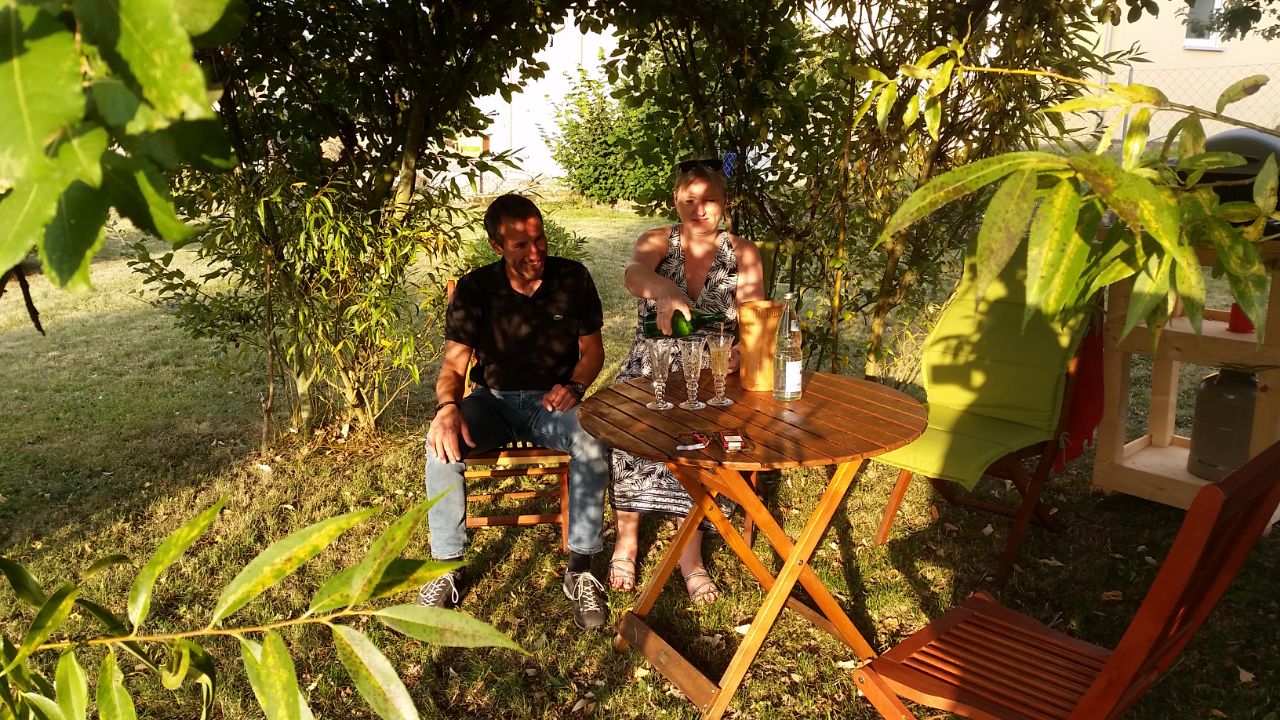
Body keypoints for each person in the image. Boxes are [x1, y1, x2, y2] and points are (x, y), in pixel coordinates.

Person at [418, 194, 611, 630]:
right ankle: (447, 568)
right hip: (492, 401)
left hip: (552, 403)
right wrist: (447, 409)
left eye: (539, 239)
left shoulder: (573, 278)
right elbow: (453, 366)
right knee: (441, 447)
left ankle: (580, 569)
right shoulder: (475, 289)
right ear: (496, 246)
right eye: (521, 245)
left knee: (592, 440)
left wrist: (575, 386)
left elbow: (593, 351)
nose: (535, 252)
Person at [607, 159, 765, 604]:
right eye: (689, 200)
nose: (699, 210)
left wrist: (741, 351)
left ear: (725, 202)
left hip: (713, 372)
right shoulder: (658, 240)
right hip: (651, 365)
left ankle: (690, 557)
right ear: (676, 200)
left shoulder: (743, 253)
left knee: (699, 444)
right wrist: (665, 290)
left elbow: (753, 320)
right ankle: (627, 541)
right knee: (630, 433)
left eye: (709, 200)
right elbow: (634, 274)